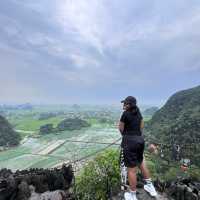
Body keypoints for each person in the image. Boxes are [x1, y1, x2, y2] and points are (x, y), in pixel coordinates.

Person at [118, 96, 157, 200]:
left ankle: (132, 194)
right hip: (139, 141)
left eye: (125, 103)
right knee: (141, 163)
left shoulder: (125, 114)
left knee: (131, 170)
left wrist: (127, 135)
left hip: (129, 142)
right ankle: (150, 186)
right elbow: (141, 127)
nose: (123, 105)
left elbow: (121, 128)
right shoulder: (139, 114)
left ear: (129, 104)